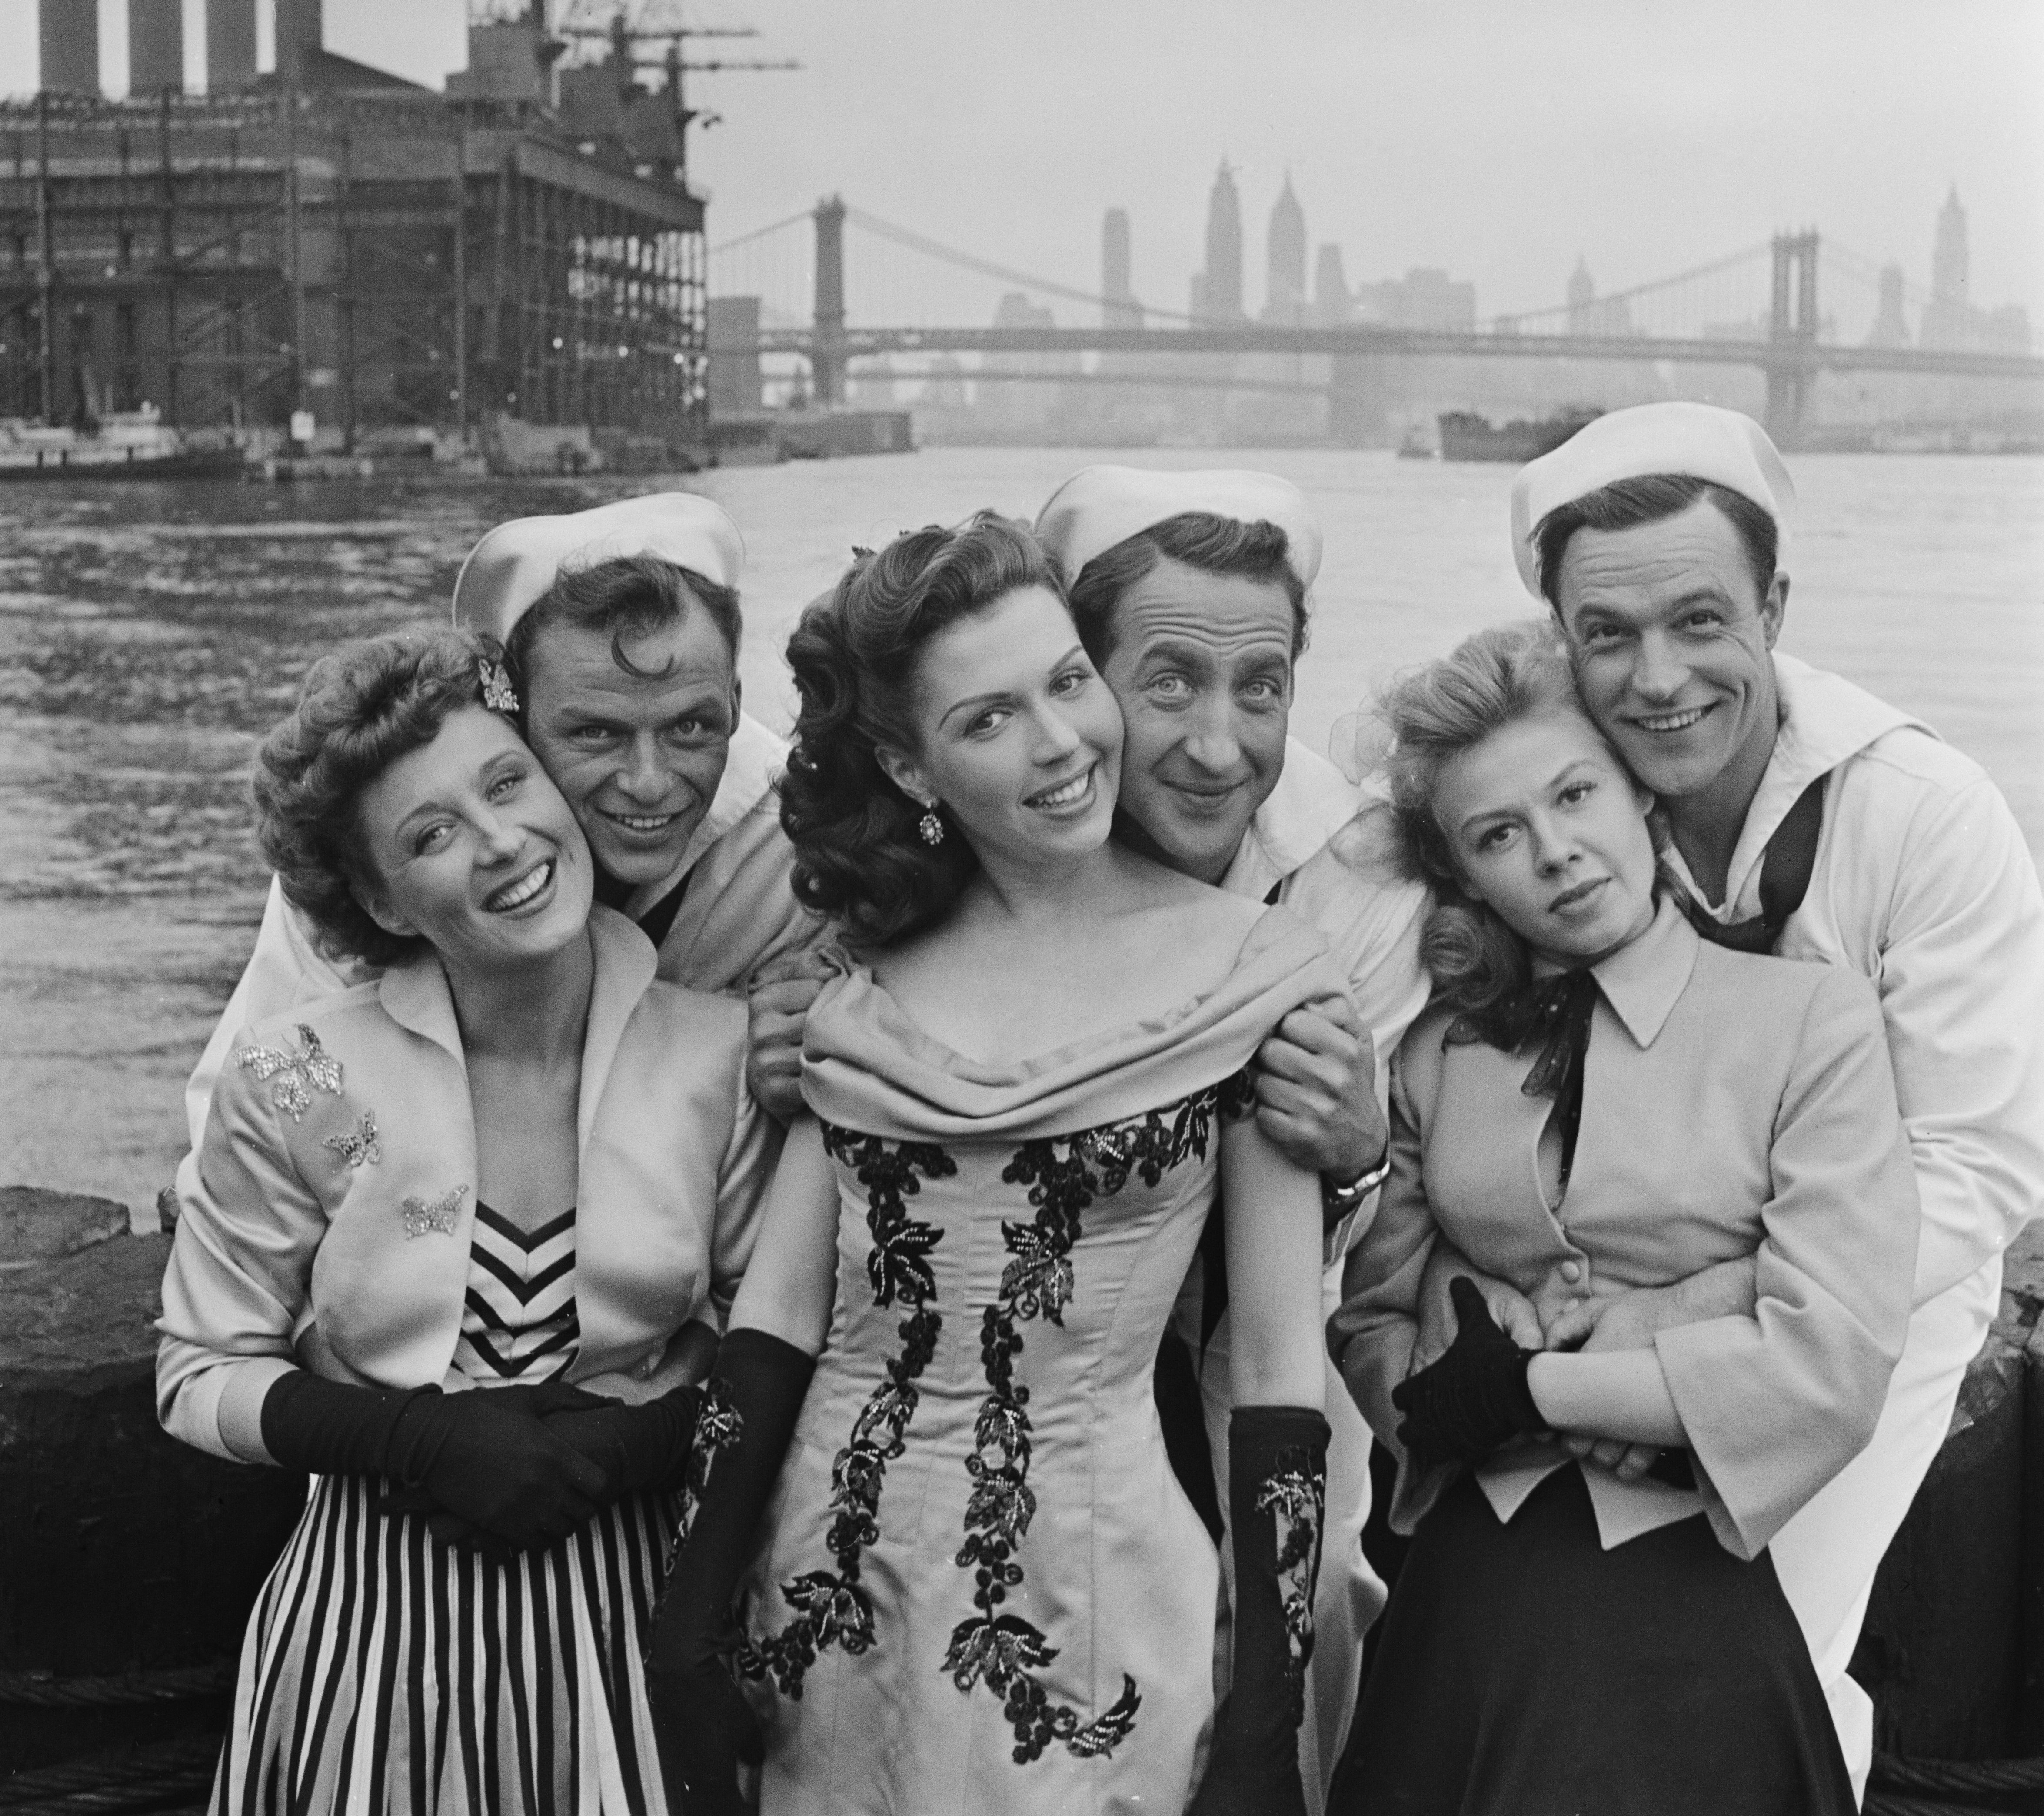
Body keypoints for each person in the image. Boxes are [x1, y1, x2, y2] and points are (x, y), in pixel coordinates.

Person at [647, 514, 1342, 1816]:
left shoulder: (1254, 973)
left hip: (1099, 1601)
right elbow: (784, 1315)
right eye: (987, 720)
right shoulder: (852, 980)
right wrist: (688, 1607)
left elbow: (1273, 1368)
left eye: (1068, 682)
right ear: (912, 767)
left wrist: (1269, 1700)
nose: (1061, 744)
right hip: (823, 1590)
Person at [1408, 401, 2044, 1795]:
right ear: (1559, 641)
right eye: (1606, 634)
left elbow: (1978, 1162)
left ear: (1774, 606)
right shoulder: (1566, 787)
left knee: (1771, 1645)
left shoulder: (1915, 815)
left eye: (1700, 620)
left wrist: (1699, 1312)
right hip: (1579, 1305)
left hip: (1862, 1302)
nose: (1657, 678)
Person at [158, 625, 775, 1815]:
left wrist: (626, 1452)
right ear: (384, 902)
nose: (502, 843)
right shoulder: (300, 1078)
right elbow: (196, 1372)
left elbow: (781, 1352)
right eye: (431, 835)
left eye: (507, 782)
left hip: (635, 1638)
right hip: (362, 1658)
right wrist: (408, 1441)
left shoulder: (721, 1055)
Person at [1330, 619, 1917, 1815]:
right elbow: (1375, 1329)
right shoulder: (1439, 1052)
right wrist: (1444, 1389)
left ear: (1638, 795)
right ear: (1461, 877)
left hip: (1680, 1592)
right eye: (1498, 835)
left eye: (1573, 794)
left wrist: (1536, 1389)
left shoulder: (1808, 1021)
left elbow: (1829, 1358)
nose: (1554, 852)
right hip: (1463, 1589)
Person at [1037, 465, 1430, 1808]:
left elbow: (1306, 1286)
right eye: (1167, 686)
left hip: (1248, 1332)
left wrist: (1358, 1147)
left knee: (1299, 1619)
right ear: (1074, 680)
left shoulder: (1355, 876)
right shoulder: (980, 832)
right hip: (1014, 1348)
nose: (1219, 745)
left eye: (1257, 688)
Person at [182, 493, 821, 1149]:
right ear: (512, 716)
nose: (649, 784)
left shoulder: (797, 849)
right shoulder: (369, 845)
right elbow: (236, 1120)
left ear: (735, 704)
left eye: (691, 726)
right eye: (595, 732)